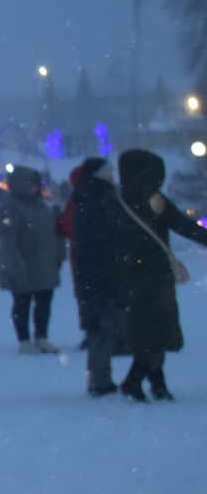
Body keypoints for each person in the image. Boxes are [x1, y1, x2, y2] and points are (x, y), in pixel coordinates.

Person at [111, 148, 207, 401]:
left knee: (145, 333)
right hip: (153, 276)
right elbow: (184, 227)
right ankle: (136, 382)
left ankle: (156, 383)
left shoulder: (117, 200)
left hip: (128, 276)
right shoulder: (155, 200)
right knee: (156, 332)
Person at [66, 157, 130, 396]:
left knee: (101, 326)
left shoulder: (88, 196)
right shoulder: (101, 197)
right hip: (102, 269)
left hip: (94, 270)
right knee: (103, 326)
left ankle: (99, 377)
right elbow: (105, 235)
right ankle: (99, 380)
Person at [0, 166, 65, 354]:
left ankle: (42, 337)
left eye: (35, 184)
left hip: (43, 263)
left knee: (44, 300)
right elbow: (7, 238)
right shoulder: (10, 206)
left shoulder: (39, 204)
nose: (33, 188)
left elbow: (50, 232)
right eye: (29, 184)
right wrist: (14, 263)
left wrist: (57, 255)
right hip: (23, 262)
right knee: (22, 301)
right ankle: (24, 340)